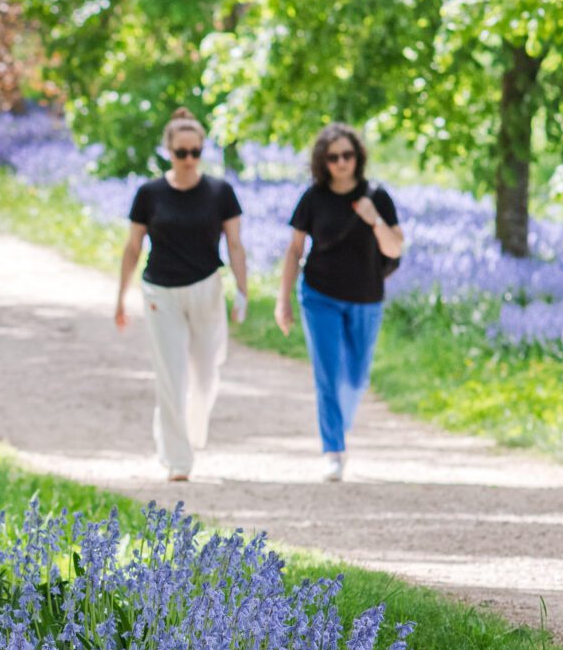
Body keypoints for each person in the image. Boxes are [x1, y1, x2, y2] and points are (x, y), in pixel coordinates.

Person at [114, 108, 250, 482]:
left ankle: (184, 432)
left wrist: (243, 289)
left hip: (206, 286)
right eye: (181, 153)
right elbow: (132, 248)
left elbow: (235, 245)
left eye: (195, 152)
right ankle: (178, 459)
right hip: (161, 291)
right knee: (171, 374)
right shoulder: (149, 194)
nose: (188, 160)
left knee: (205, 375)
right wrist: (121, 297)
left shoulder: (221, 192)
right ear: (168, 152)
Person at [274, 122, 405, 481]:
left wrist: (373, 219)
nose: (341, 163)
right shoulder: (312, 198)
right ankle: (333, 448)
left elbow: (394, 247)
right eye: (333, 157)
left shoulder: (377, 197)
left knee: (357, 377)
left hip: (366, 297)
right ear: (323, 162)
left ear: (358, 157)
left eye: (347, 155)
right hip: (319, 295)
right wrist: (282, 300)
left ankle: (339, 425)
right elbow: (294, 249)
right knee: (328, 374)